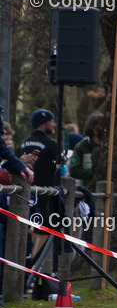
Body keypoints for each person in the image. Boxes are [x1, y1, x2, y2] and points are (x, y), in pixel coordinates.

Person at [21, 109, 60, 265]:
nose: (54, 124)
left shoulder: (24, 142)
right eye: (51, 121)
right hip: (44, 193)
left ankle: (27, 262)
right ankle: (32, 266)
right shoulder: (51, 144)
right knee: (43, 231)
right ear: (43, 124)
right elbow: (60, 164)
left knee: (29, 229)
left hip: (25, 192)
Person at [68, 112, 105, 188]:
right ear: (92, 129)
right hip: (87, 188)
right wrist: (93, 173)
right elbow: (73, 170)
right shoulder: (82, 147)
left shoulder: (108, 146)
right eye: (97, 128)